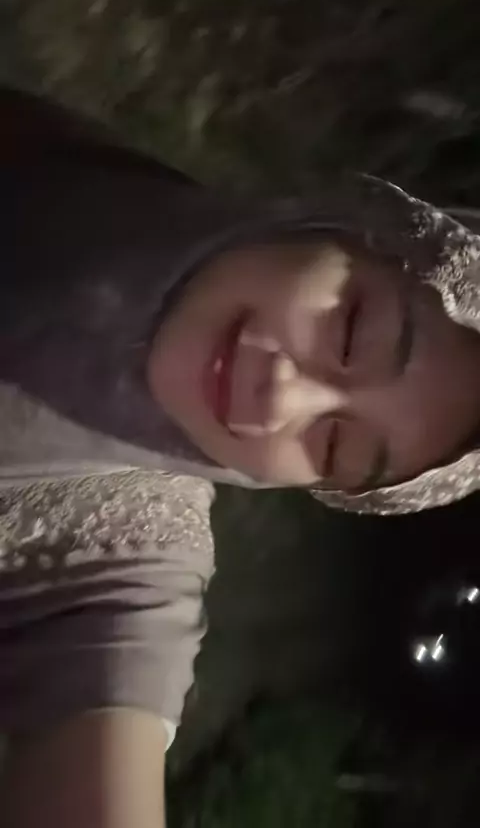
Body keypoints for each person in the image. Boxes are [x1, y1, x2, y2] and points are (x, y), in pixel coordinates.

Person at [1, 85, 480, 826]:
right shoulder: (90, 180)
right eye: (352, 332)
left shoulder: (116, 563)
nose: (283, 395)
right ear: (342, 228)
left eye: (334, 445)